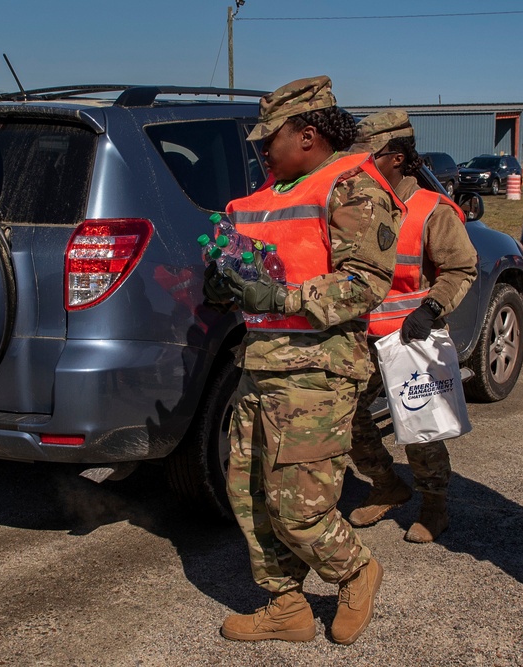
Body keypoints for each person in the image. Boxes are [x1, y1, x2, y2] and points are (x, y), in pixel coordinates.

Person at [202, 75, 404, 646]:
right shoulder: (261, 198)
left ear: (308, 135)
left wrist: (283, 298)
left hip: (317, 372)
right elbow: (244, 275)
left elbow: (365, 283)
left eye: (270, 139)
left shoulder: (352, 188)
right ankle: (287, 606)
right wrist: (223, 284)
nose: (261, 151)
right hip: (260, 364)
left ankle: (356, 571)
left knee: (300, 509)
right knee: (251, 496)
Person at [344, 110, 478, 543]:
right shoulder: (355, 207)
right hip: (361, 338)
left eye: (368, 158)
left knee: (420, 425)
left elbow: (461, 267)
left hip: (410, 337)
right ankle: (387, 485)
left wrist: (431, 308)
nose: (357, 168)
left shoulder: (430, 210)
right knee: (346, 417)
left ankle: (434, 504)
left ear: (397, 158)